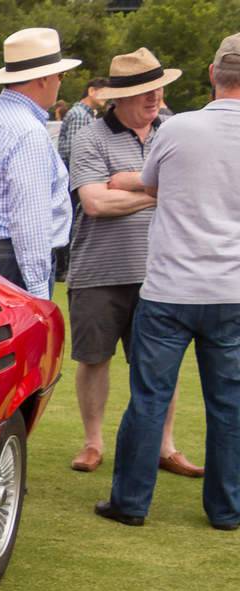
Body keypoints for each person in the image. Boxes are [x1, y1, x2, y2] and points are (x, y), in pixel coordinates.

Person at [98, 34, 240, 531]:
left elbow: (154, 183)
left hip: (170, 286)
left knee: (149, 397)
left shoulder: (178, 128)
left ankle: (131, 502)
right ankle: (226, 508)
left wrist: (127, 180)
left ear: (211, 73)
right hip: (231, 288)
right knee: (229, 401)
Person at [65, 48, 193, 477]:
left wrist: (130, 188)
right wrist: (159, 191)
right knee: (94, 358)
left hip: (161, 271)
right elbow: (96, 202)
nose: (154, 97)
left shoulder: (172, 132)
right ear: (117, 98)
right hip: (99, 270)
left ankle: (164, 445)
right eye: (143, 91)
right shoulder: (90, 138)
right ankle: (92, 442)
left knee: (160, 363)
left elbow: (188, 189)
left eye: (157, 87)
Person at [0, 27, 78, 298]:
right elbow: (30, 219)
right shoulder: (27, 130)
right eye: (61, 75)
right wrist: (38, 292)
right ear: (44, 78)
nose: (61, 81)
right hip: (12, 258)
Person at [57, 77, 108, 168]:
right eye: (104, 92)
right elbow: (75, 152)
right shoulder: (80, 115)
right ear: (91, 91)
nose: (107, 97)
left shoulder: (85, 114)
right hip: (76, 173)